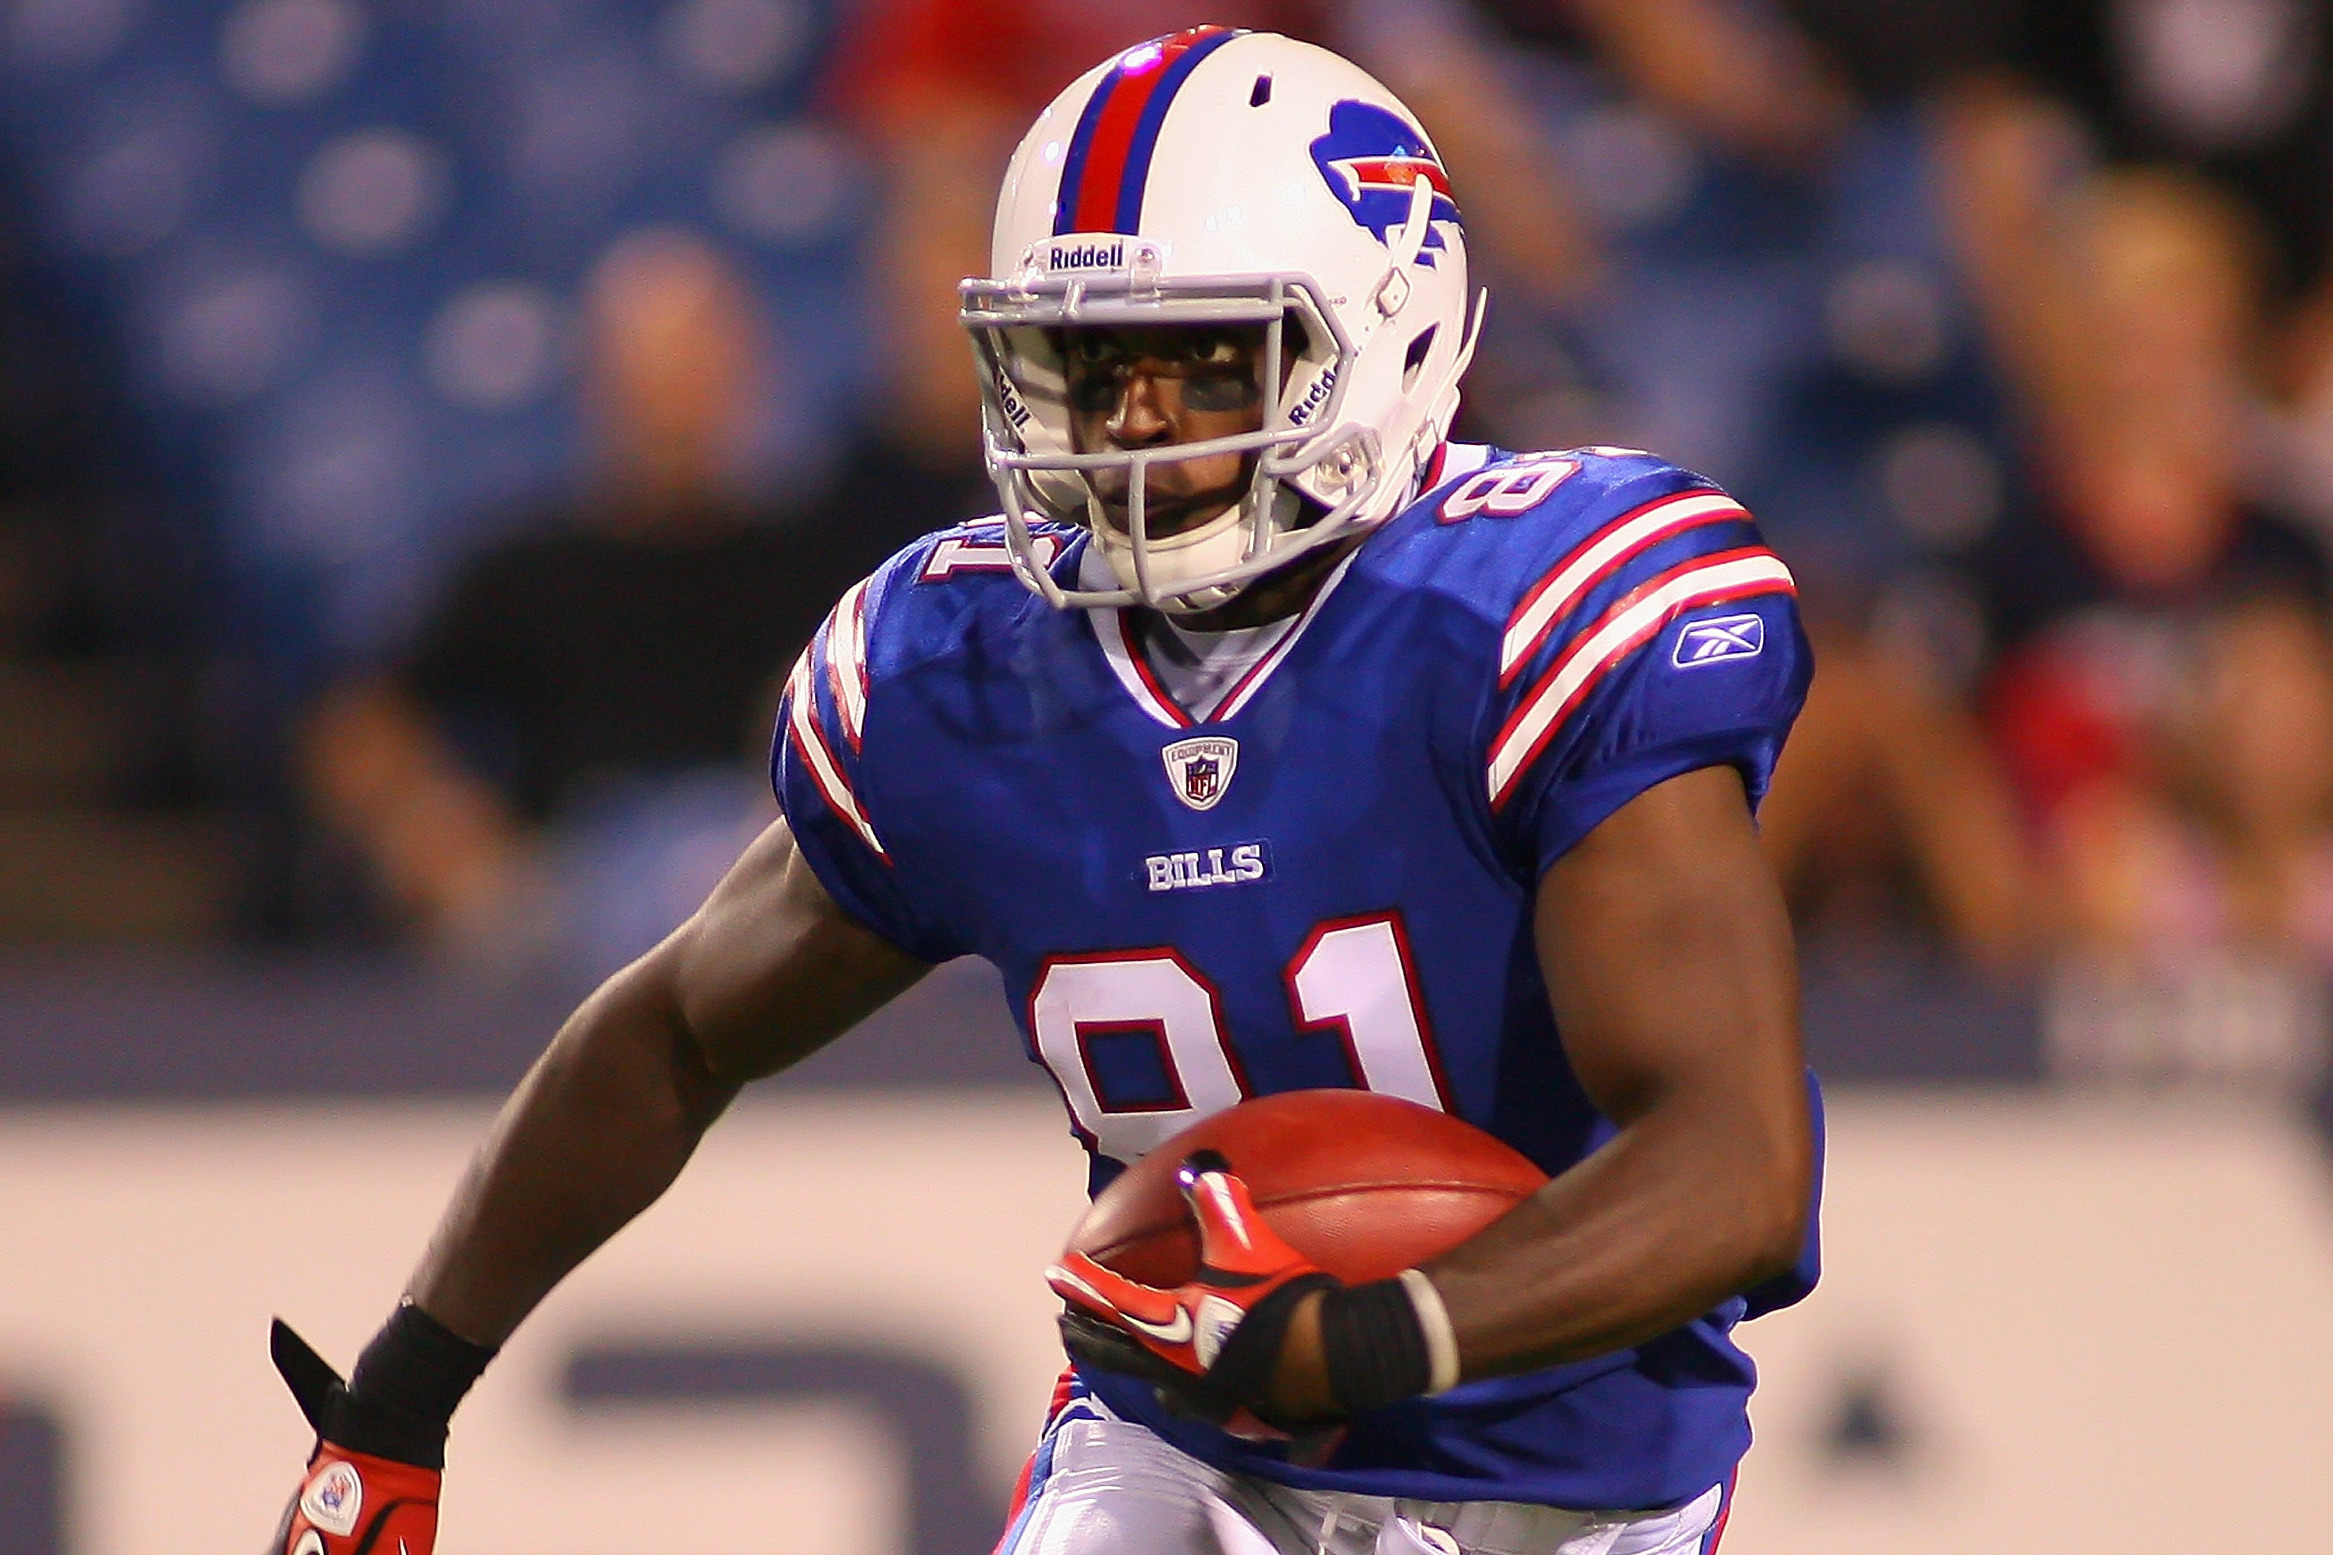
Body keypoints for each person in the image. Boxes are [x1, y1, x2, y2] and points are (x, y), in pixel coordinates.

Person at [269, 30, 1819, 1555]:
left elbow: (1733, 1168)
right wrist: (399, 1402)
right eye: (1084, 365)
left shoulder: (1537, 611)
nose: (1129, 424)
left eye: (1196, 361)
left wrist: (1373, 1336)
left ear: (1380, 329)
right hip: (1179, 1455)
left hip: (1583, 1491)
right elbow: (672, 1032)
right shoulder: (957, 674)